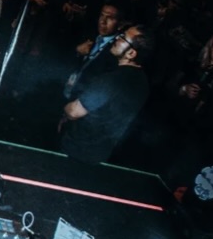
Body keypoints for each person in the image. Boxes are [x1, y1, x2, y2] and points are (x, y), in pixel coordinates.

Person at [60, 25, 151, 164]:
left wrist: (64, 110)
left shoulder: (111, 79)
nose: (117, 38)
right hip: (103, 153)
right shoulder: (143, 82)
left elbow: (74, 112)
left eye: (123, 38)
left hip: (77, 149)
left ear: (131, 53)